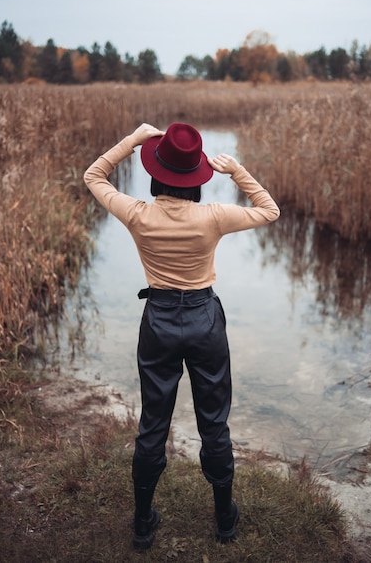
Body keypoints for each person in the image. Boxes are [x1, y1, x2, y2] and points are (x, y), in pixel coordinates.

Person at [84, 122, 280, 550]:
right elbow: (270, 211)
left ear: (156, 172)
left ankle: (142, 524)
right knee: (214, 421)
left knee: (154, 421)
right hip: (204, 320)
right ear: (196, 177)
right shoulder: (212, 216)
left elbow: (93, 176)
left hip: (158, 321)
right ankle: (225, 520)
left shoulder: (137, 213)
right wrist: (236, 170)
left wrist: (133, 140)